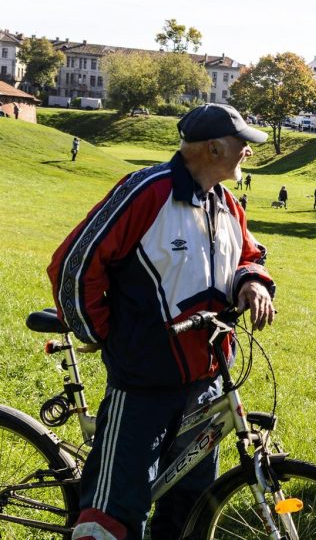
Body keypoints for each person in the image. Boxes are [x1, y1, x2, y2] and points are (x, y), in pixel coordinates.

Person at [47, 103, 276, 540]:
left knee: (187, 512)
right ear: (212, 148)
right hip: (143, 385)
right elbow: (74, 265)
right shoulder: (147, 191)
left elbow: (249, 255)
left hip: (207, 383)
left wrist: (254, 283)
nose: (249, 151)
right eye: (242, 143)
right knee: (112, 518)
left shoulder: (225, 202)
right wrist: (100, 335)